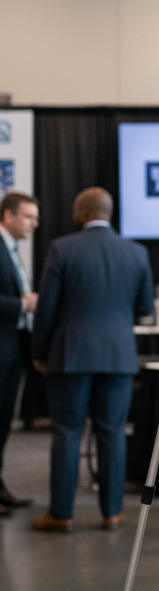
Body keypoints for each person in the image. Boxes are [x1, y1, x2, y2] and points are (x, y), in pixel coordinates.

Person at [31, 188, 153, 533]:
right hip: (118, 356)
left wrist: (39, 353)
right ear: (109, 212)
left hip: (70, 356)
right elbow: (144, 307)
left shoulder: (62, 248)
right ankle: (112, 513)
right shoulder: (137, 252)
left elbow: (46, 309)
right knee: (112, 432)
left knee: (67, 432)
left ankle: (61, 514)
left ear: (80, 211)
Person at [0, 192, 40, 515]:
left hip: (13, 351)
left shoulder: (12, 250)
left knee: (3, 422)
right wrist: (24, 304)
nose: (34, 223)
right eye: (28, 216)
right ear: (9, 216)